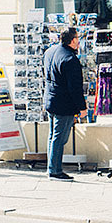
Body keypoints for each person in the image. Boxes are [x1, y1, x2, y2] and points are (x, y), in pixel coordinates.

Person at [43, 26, 87, 180]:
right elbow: (75, 87)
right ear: (73, 40)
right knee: (59, 138)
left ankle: (52, 168)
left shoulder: (50, 51)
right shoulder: (70, 59)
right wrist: (82, 108)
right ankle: (54, 170)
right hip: (63, 104)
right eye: (78, 38)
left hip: (50, 100)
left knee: (53, 136)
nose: (79, 41)